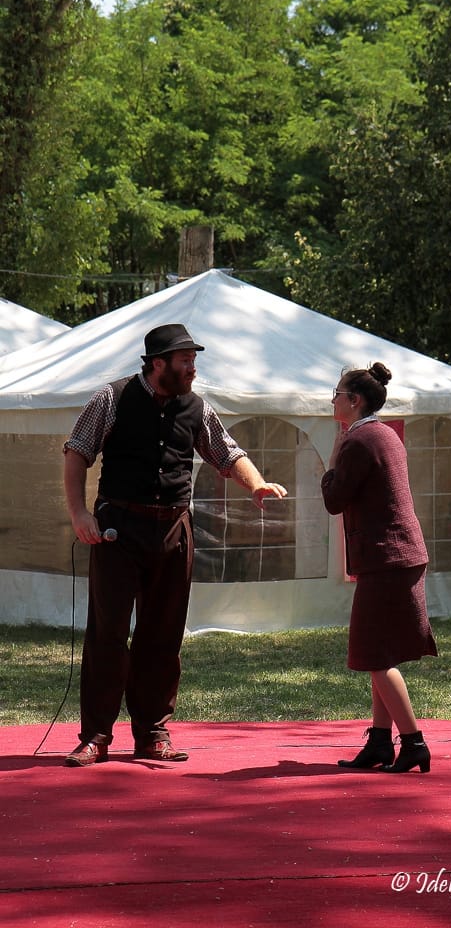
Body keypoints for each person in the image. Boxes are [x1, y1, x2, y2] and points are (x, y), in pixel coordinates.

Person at [63, 324, 288, 767]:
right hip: (118, 529)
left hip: (172, 531)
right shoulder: (111, 399)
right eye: (185, 360)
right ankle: (95, 736)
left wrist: (257, 485)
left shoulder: (197, 407)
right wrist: (79, 515)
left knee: (162, 635)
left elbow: (227, 454)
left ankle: (151, 733)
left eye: (193, 359)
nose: (193, 368)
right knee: (108, 633)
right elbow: (77, 453)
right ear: (158, 363)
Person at [321, 362, 437, 774]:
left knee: (373, 655)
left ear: (354, 400)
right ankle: (379, 743)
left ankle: (413, 742)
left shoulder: (358, 441)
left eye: (336, 394)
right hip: (398, 556)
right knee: (380, 652)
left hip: (387, 559)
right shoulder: (384, 434)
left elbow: (334, 499)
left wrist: (333, 455)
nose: (332, 399)